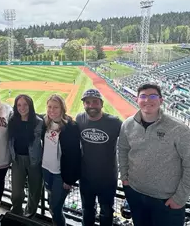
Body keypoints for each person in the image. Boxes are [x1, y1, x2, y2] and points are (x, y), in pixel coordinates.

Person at [118, 83, 190, 226]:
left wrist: (180, 198)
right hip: (135, 193)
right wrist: (125, 179)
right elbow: (123, 152)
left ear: (161, 100)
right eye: (143, 96)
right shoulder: (127, 125)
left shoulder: (179, 128)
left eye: (153, 96)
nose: (147, 100)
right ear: (137, 99)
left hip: (166, 200)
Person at [76, 89, 122, 226]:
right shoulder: (79, 119)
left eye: (95, 102)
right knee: (87, 210)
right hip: (86, 177)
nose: (91, 106)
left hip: (107, 179)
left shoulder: (114, 122)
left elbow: (130, 143)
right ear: (84, 104)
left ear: (101, 104)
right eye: (87, 102)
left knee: (106, 212)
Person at [42, 94, 81, 226]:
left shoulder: (71, 126)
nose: (52, 110)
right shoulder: (45, 122)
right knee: (51, 204)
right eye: (49, 107)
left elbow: (74, 155)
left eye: (55, 107)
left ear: (62, 108)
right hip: (46, 170)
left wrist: (69, 179)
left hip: (61, 175)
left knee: (55, 207)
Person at [9, 94, 43, 217]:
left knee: (34, 192)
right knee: (16, 193)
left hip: (34, 161)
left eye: (25, 104)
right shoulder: (12, 120)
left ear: (30, 106)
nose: (22, 107)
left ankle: (29, 215)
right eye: (19, 105)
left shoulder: (39, 122)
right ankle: (17, 212)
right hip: (17, 159)